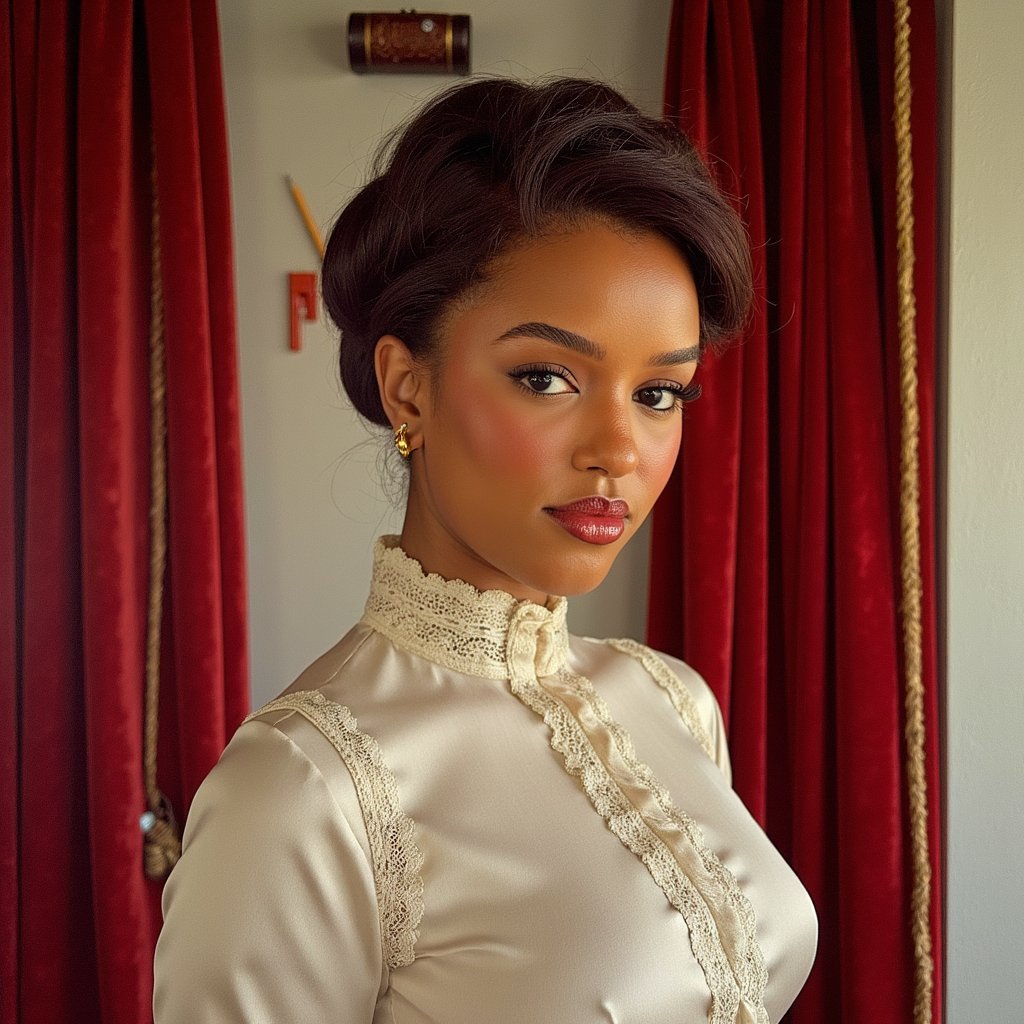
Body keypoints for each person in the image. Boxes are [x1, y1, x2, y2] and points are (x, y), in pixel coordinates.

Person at [153, 77, 817, 1024]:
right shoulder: (305, 789)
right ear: (407, 388)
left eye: (660, 393)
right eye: (546, 377)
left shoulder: (672, 700)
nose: (619, 451)